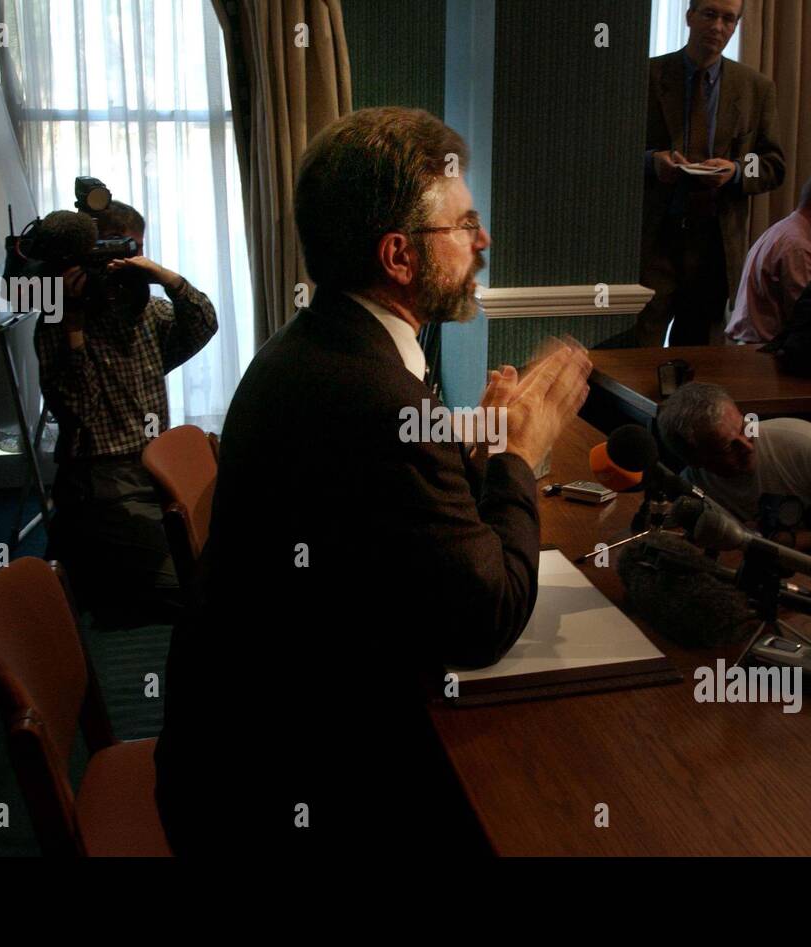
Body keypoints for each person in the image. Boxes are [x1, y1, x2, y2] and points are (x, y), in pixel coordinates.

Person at [154, 107, 592, 855]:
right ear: (399, 255)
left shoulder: (320, 339)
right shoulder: (372, 392)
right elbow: (484, 619)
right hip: (283, 784)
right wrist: (519, 453)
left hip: (239, 723)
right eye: (465, 226)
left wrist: (478, 451)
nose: (483, 244)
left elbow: (379, 510)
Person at [34, 199, 217, 624]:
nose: (120, 270)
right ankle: (107, 595)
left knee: (219, 554)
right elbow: (81, 408)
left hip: (153, 467)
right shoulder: (57, 326)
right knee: (189, 590)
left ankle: (106, 580)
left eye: (131, 255)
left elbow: (204, 322)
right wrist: (74, 327)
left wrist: (165, 277)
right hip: (102, 475)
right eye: (112, 257)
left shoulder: (147, 314)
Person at [656, 383, 811, 639]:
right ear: (696, 460)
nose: (747, 446)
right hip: (786, 581)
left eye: (747, 429)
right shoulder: (695, 488)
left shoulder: (803, 444)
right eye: (727, 448)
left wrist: (798, 542)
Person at [638, 0, 785, 347]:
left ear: (735, 26)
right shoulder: (648, 75)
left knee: (699, 357)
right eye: (709, 14)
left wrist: (735, 171)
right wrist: (651, 162)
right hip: (656, 240)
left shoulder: (756, 88)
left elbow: (772, 165)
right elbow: (612, 152)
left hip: (714, 246)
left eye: (728, 19)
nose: (718, 26)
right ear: (689, 17)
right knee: (638, 349)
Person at [725, 172, 811, 343]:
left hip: (749, 347)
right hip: (761, 355)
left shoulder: (784, 230)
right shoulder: (797, 246)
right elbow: (807, 316)